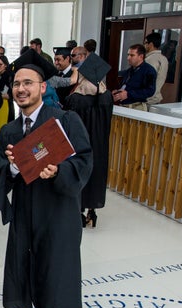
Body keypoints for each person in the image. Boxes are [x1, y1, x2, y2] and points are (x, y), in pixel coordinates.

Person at [0, 62, 93, 308]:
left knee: (58, 270)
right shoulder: (9, 130)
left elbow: (85, 160)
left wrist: (59, 171)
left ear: (42, 87)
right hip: (25, 209)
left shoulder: (64, 121)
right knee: (33, 264)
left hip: (58, 210)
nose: (21, 89)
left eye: (28, 83)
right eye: (16, 84)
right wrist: (11, 167)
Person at [65, 51, 113, 228]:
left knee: (81, 173)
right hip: (100, 143)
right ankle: (93, 211)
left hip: (80, 144)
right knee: (97, 174)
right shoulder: (107, 96)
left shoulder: (76, 98)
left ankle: (79, 212)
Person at [112, 44, 156, 111]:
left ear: (141, 56)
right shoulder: (129, 71)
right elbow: (125, 86)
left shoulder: (149, 71)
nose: (128, 58)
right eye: (128, 55)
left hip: (137, 107)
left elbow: (150, 91)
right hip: (123, 106)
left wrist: (129, 94)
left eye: (132, 55)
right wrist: (118, 92)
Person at [143, 32, 169, 105]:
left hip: (148, 100)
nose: (144, 45)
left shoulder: (150, 60)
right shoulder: (164, 58)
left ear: (150, 44)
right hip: (155, 98)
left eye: (145, 43)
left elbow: (147, 80)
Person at [0, 55, 15, 128]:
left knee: (4, 128)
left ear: (5, 65)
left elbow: (10, 95)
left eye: (0, 64)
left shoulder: (10, 76)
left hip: (6, 105)